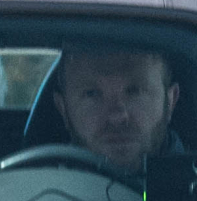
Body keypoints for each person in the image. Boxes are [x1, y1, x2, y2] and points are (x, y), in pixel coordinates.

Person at [48, 47, 183, 178]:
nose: (117, 117)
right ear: (63, 109)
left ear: (170, 101)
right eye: (92, 94)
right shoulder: (37, 193)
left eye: (135, 91)